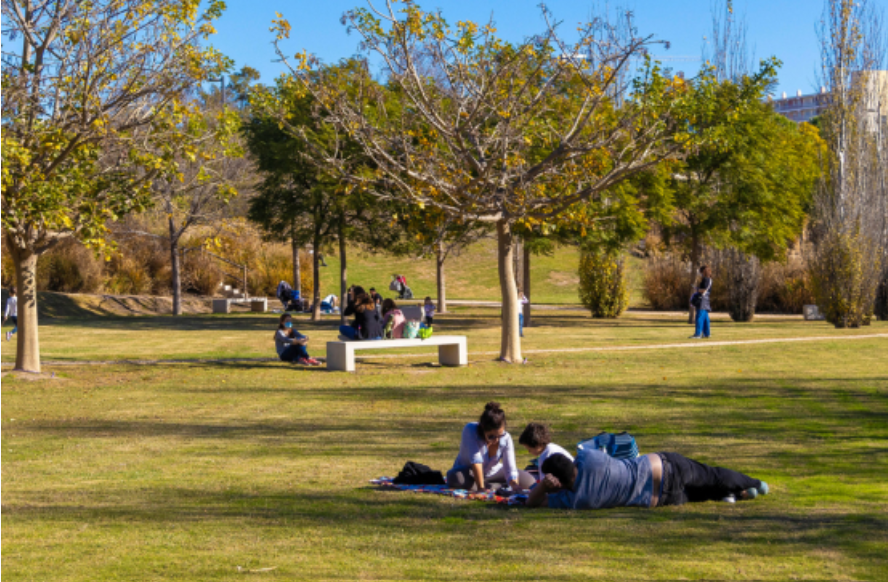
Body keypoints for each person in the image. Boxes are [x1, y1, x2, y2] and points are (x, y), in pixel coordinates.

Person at [526, 448, 769, 509]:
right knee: (710, 475)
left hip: (661, 498)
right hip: (662, 467)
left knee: (701, 493)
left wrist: (544, 487)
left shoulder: (578, 499)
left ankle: (739, 494)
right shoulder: (588, 457)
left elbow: (531, 502)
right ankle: (754, 484)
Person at [447, 402, 537, 492]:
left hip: (493, 473)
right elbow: (476, 462)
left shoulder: (506, 438)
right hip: (469, 472)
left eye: (500, 436)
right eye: (491, 436)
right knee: (456, 478)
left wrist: (514, 485)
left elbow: (510, 468)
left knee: (529, 481)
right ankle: (493, 486)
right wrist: (481, 488)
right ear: (483, 428)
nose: (496, 440)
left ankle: (493, 486)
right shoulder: (470, 430)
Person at [690, 265, 713, 339]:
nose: (700, 274)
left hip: (702, 300)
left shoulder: (705, 279)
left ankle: (698, 334)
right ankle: (707, 334)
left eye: (701, 272)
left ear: (703, 271)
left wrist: (696, 289)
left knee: (699, 317)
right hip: (706, 300)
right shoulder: (710, 279)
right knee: (705, 318)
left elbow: (704, 290)